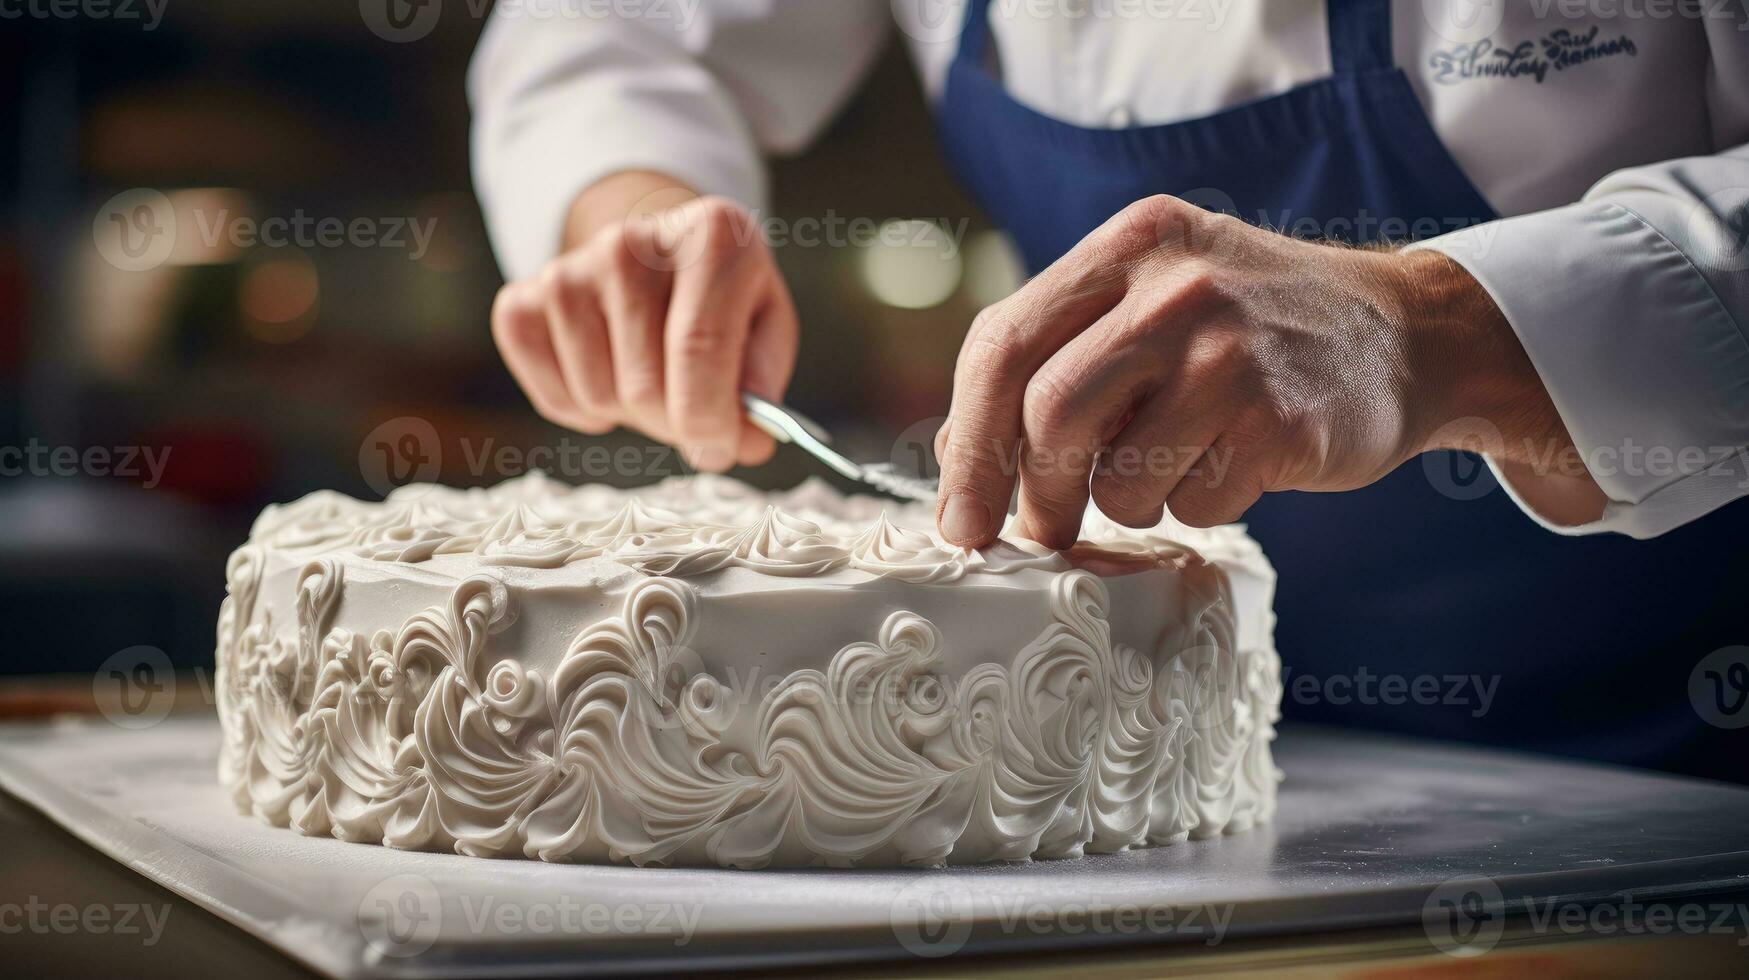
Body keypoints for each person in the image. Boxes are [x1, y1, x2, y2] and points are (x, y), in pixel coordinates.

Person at [468, 1, 1749, 781]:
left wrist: (1434, 335)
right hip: (1154, 789)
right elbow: (603, 31)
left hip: (1689, 767)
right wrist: (624, 200)